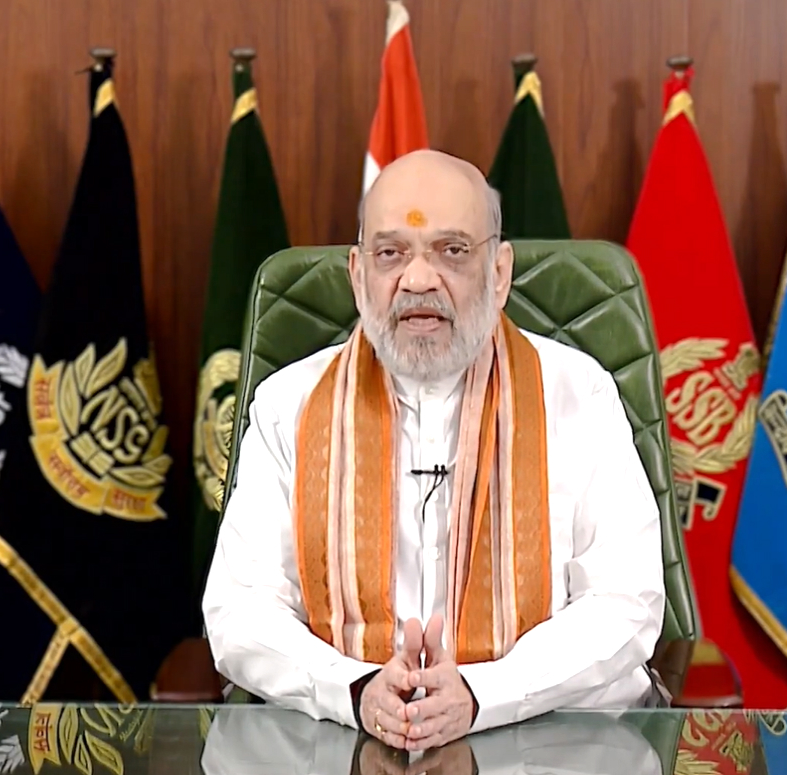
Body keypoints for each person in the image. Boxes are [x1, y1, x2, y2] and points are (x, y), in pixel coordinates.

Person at [202, 149, 665, 750]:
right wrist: (354, 688)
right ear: (357, 275)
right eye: (390, 254)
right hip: (342, 741)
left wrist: (484, 693)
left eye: (452, 251)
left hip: (556, 743)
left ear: (499, 273)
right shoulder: (288, 405)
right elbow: (240, 611)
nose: (418, 280)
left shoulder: (579, 394)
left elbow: (626, 602)